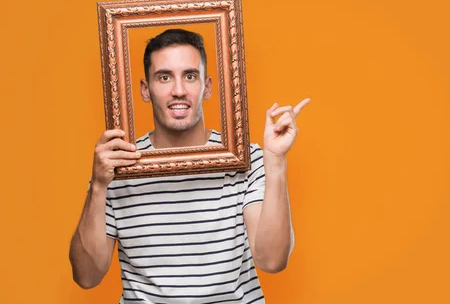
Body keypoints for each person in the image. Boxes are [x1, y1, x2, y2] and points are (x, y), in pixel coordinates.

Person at [69, 28, 310, 304]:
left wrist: (276, 161)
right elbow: (86, 277)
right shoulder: (117, 165)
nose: (179, 91)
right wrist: (98, 186)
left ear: (207, 87)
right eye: (164, 77)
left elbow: (272, 260)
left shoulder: (246, 159)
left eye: (190, 76)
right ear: (145, 90)